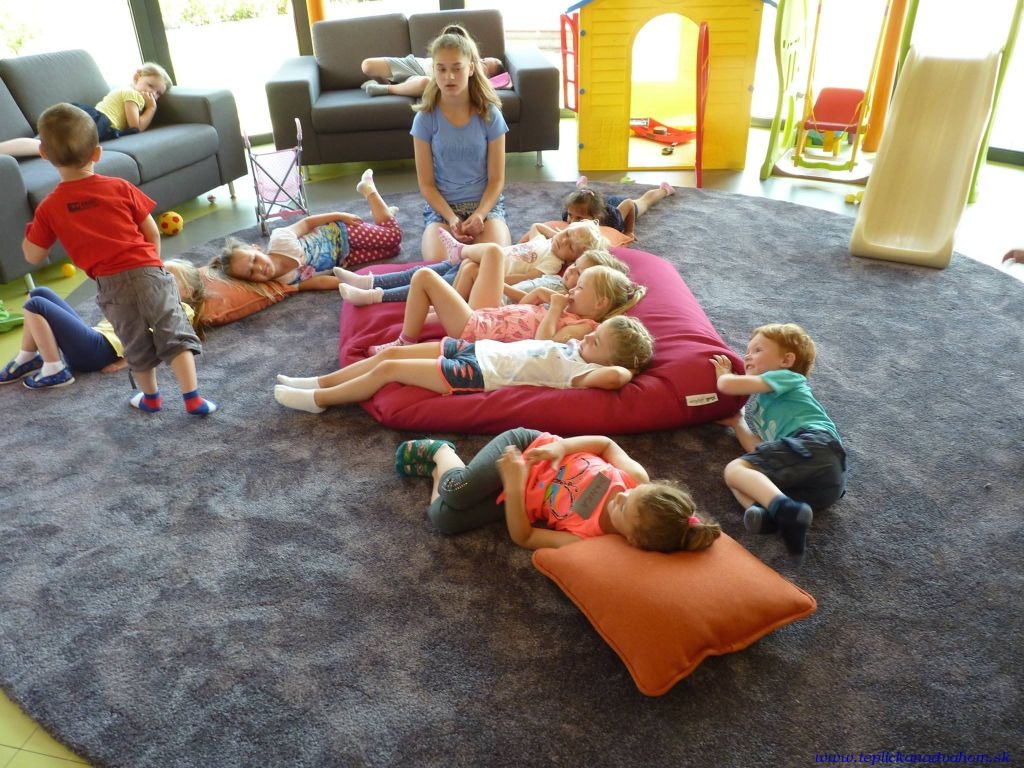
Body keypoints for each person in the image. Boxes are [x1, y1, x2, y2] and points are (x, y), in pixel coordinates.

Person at [22, 103, 216, 413]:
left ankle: (151, 399)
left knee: (134, 341)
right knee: (173, 331)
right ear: (97, 153)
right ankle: (192, 398)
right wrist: (152, 263)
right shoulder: (120, 187)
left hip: (111, 284)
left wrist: (32, 231)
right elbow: (151, 232)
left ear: (44, 154)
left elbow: (33, 255)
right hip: (148, 271)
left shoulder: (49, 207)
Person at [396, 429, 721, 552]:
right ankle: (440, 451)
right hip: (525, 447)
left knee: (443, 519)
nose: (621, 494)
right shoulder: (636, 477)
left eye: (623, 507)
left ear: (632, 540)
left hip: (517, 492)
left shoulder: (590, 540)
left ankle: (438, 468)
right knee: (457, 492)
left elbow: (525, 537)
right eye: (631, 493)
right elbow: (606, 444)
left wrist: (514, 485)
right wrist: (560, 447)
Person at [273, 314, 655, 414]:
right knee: (388, 354)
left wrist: (628, 367)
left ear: (612, 360)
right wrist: (590, 336)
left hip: (477, 374)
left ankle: (320, 401)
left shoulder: (584, 373)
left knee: (388, 370)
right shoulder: (575, 348)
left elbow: (616, 377)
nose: (589, 337)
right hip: (476, 348)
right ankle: (319, 381)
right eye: (596, 332)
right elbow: (546, 336)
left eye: (597, 341)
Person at [709, 322, 846, 556]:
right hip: (824, 484)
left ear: (786, 360)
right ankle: (770, 516)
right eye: (747, 350)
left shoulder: (787, 377)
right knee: (741, 479)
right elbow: (760, 450)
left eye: (757, 350)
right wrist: (739, 423)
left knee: (735, 469)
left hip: (814, 443)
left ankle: (784, 509)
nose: (747, 355)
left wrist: (723, 374)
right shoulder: (765, 406)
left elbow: (728, 385)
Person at [367, 259, 643, 354]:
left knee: (425, 277)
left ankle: (404, 341)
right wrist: (538, 295)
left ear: (600, 303)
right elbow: (521, 310)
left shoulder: (584, 326)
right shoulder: (569, 310)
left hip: (476, 332)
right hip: (484, 319)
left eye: (580, 288)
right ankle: (420, 318)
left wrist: (555, 310)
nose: (572, 290)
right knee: (472, 268)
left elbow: (544, 345)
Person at [0, 260, 204, 387]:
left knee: (36, 305)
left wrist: (126, 361)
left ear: (187, 292)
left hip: (100, 352)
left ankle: (55, 370)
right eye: (157, 274)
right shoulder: (147, 296)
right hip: (94, 340)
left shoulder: (179, 308)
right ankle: (29, 357)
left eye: (167, 277)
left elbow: (166, 340)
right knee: (38, 293)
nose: (157, 280)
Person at [334, 219, 607, 306]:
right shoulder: (547, 242)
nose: (563, 241)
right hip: (478, 262)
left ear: (574, 257)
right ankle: (369, 281)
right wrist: (558, 233)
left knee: (435, 282)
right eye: (566, 234)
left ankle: (374, 296)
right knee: (423, 269)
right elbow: (536, 226)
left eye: (570, 246)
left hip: (484, 272)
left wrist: (492, 279)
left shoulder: (552, 265)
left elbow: (525, 279)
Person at [411, 24, 511, 261]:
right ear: (433, 70)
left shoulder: (490, 115)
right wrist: (451, 218)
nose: (449, 76)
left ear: (471, 69)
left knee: (492, 262)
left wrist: (480, 215)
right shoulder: (424, 119)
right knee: (440, 268)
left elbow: (496, 179)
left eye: (457, 68)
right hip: (443, 212)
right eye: (442, 69)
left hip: (485, 208)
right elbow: (427, 185)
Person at [208, 169, 401, 288]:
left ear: (256, 248)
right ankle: (383, 217)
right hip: (345, 258)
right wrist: (350, 283)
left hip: (341, 234)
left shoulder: (280, 240)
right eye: (251, 273)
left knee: (393, 237)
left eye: (254, 259)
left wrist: (340, 215)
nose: (259, 268)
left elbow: (308, 223)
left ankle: (368, 189)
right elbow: (318, 282)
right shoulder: (285, 281)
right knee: (393, 250)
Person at [76, 62, 172, 142]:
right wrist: (151, 108)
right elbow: (136, 127)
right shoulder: (133, 95)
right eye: (150, 85)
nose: (153, 93)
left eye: (158, 93)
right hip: (101, 124)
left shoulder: (125, 90)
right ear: (137, 77)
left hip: (93, 121)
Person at [565, 176, 675, 240]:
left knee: (644, 202)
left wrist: (628, 231)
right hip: (596, 203)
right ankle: (581, 185)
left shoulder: (614, 219)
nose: (572, 221)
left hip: (620, 203)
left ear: (596, 217)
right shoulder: (572, 211)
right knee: (584, 195)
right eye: (570, 215)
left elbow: (629, 203)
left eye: (579, 218)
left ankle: (665, 190)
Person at [361, 50, 505, 98]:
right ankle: (383, 83)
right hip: (416, 64)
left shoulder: (469, 77)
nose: (481, 61)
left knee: (426, 83)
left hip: (421, 80)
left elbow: (500, 83)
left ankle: (387, 89)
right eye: (484, 59)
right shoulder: (467, 55)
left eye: (485, 66)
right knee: (367, 66)